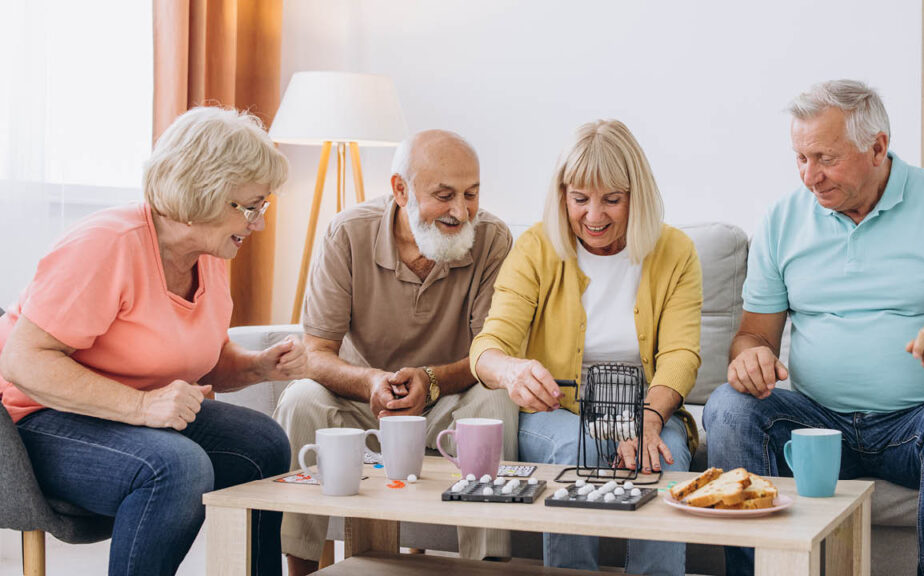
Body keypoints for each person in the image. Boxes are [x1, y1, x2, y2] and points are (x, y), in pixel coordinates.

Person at [703, 79, 924, 576]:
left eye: (825, 158)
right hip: (814, 427)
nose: (811, 176)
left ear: (877, 147)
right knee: (728, 406)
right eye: (800, 158)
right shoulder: (783, 219)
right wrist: (749, 357)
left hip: (919, 425)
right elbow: (754, 335)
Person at [0, 107, 304, 576]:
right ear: (204, 193)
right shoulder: (108, 245)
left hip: (130, 415)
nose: (258, 223)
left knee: (262, 443)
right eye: (250, 206)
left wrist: (258, 366)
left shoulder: (210, 252)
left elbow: (200, 359)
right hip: (38, 421)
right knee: (177, 467)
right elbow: (23, 361)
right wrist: (144, 410)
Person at [273, 129, 520, 575]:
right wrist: (368, 380)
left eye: (471, 193)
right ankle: (302, 567)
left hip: (451, 398)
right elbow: (317, 352)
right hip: (365, 401)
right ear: (400, 190)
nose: (461, 211)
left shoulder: (494, 240)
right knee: (300, 399)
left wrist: (434, 379)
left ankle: (486, 567)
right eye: (444, 195)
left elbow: (493, 351)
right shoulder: (347, 233)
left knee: (496, 399)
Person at [470, 119, 702, 576]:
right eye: (580, 199)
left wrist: (649, 420)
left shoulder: (675, 251)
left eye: (611, 200)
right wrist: (511, 372)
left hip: (648, 410)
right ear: (563, 197)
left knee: (662, 457)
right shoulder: (536, 248)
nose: (594, 216)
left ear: (637, 195)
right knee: (584, 451)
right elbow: (488, 345)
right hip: (557, 415)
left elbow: (681, 355)